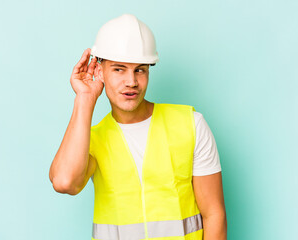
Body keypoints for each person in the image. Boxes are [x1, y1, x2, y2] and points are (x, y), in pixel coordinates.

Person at [49, 14, 227, 240]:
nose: (131, 81)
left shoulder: (191, 124)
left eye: (140, 69)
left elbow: (214, 215)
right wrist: (85, 98)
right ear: (100, 70)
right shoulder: (89, 140)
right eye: (119, 69)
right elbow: (65, 182)